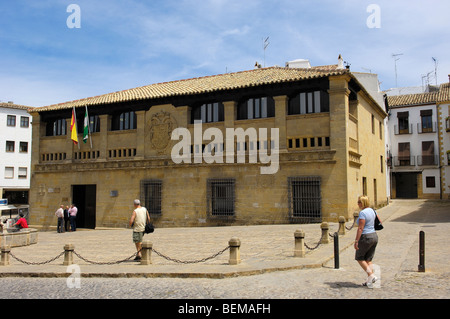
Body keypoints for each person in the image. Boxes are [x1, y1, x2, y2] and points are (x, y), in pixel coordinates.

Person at [354, 195, 379, 288]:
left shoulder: (363, 213)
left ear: (363, 202)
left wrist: (356, 241)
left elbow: (360, 228)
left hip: (366, 237)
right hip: (374, 236)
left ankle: (372, 276)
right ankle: (369, 279)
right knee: (368, 259)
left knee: (359, 257)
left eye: (359, 202)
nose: (358, 203)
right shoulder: (373, 211)